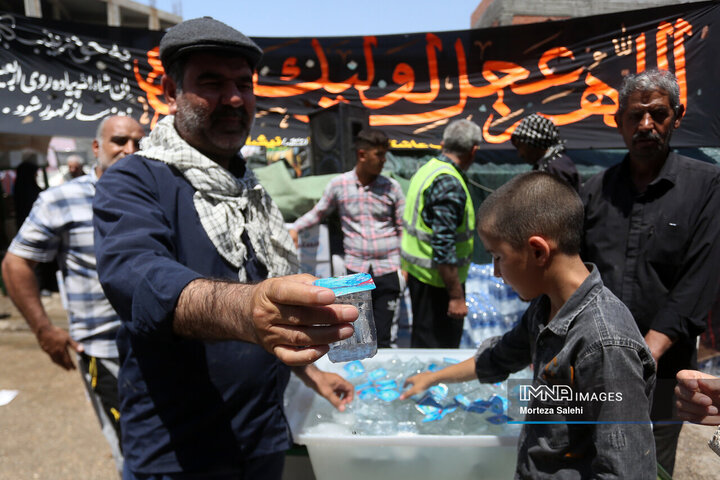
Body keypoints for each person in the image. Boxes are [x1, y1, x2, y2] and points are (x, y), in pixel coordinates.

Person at [92, 17, 356, 479]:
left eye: (242, 84)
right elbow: (138, 278)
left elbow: (267, 307)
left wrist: (311, 375)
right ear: (171, 94)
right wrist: (246, 308)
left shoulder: (248, 188)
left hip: (259, 438)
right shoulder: (135, 180)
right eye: (211, 83)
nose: (233, 98)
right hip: (180, 450)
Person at [401, 171, 657, 479]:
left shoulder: (604, 343)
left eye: (498, 257)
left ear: (538, 251)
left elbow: (627, 470)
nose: (496, 273)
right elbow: (499, 357)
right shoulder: (545, 306)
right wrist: (432, 377)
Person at [580, 68, 720, 475]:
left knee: (649, 462)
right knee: (590, 455)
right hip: (595, 362)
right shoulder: (593, 191)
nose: (646, 125)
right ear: (618, 121)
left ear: (677, 116)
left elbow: (701, 276)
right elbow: (576, 274)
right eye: (634, 116)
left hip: (664, 368)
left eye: (657, 114)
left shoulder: (707, 185)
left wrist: (649, 350)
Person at [1, 114, 146, 474]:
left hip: (160, 346)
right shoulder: (62, 200)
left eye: (137, 143)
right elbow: (15, 264)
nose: (129, 150)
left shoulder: (153, 196)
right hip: (105, 351)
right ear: (96, 147)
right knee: (134, 452)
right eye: (119, 141)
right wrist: (43, 329)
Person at [289, 128, 405, 347]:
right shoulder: (339, 185)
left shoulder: (392, 187)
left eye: (385, 155)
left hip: (388, 269)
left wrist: (404, 269)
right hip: (356, 270)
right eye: (379, 155)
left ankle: (383, 378)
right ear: (362, 155)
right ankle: (362, 377)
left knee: (384, 334)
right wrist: (294, 228)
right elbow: (318, 212)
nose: (384, 161)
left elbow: (404, 227)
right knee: (358, 331)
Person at [401, 119, 479, 348]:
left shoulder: (428, 168)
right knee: (437, 353)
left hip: (421, 277)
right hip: (439, 287)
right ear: (473, 151)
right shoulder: (449, 182)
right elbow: (443, 245)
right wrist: (455, 296)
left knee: (423, 345)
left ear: (444, 143)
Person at [511, 113, 579, 191]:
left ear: (533, 143)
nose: (520, 154)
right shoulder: (549, 164)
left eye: (520, 147)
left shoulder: (555, 167)